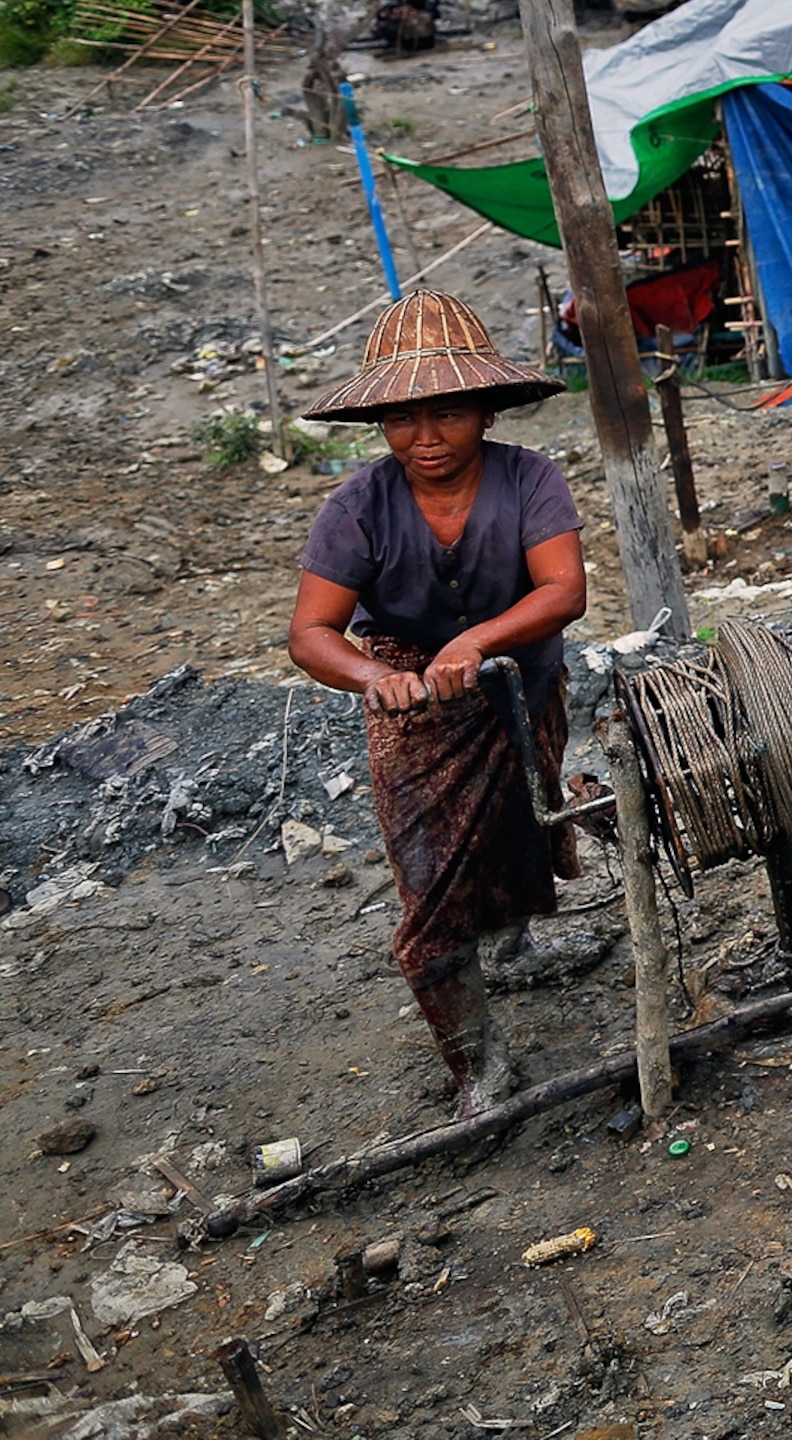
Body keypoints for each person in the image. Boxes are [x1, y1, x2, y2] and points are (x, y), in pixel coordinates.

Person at [285, 291, 588, 1118]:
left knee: (524, 820)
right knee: (432, 874)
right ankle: (479, 1065)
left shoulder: (532, 479)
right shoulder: (355, 508)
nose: (425, 437)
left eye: (447, 413)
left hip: (521, 682)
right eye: (403, 419)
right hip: (415, 710)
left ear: (485, 409)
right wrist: (376, 680)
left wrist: (478, 642)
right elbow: (311, 631)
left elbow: (564, 590)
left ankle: (517, 946)